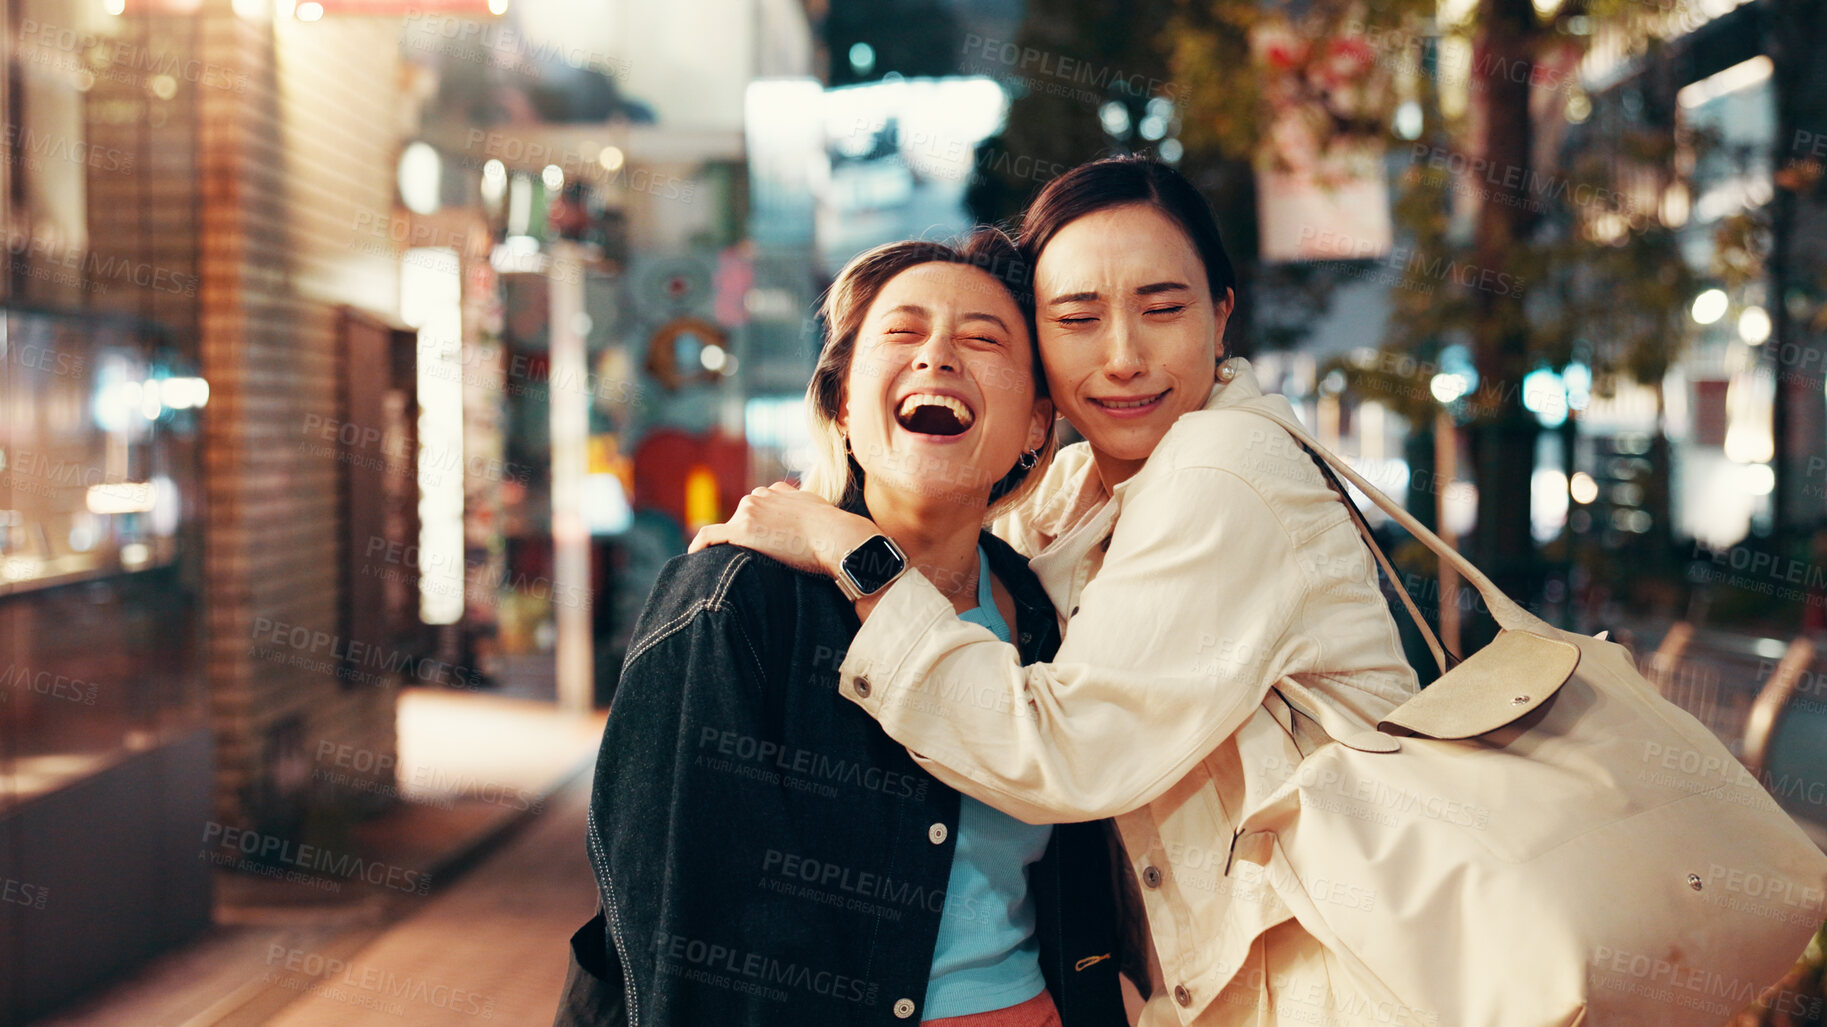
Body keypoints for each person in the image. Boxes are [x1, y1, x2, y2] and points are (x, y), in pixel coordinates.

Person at [693, 157, 1423, 1026]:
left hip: (1347, 985)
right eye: (1076, 318)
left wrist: (841, 541)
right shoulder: (1073, 496)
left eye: (1163, 308)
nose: (1122, 357)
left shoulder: (1226, 468)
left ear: (1221, 314)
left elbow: (1066, 751)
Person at [555, 231, 1132, 1027]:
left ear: (1036, 425)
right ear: (842, 406)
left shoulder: (1042, 612)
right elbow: (678, 936)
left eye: (981, 337)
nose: (937, 356)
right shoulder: (734, 602)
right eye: (902, 331)